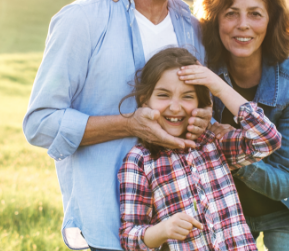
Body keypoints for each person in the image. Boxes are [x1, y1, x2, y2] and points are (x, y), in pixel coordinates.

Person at [89, 0, 289, 250]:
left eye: (255, 14)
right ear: (215, 19)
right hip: (222, 210)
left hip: (283, 206)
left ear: (271, 20)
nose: (243, 24)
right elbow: (154, 21)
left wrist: (226, 148)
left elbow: (283, 177)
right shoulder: (197, 58)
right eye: (231, 13)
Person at [23, 0, 214, 251]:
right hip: (106, 230)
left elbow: (200, 109)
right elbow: (40, 124)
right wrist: (128, 124)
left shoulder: (193, 29)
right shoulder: (83, 21)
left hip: (187, 233)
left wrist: (204, 117)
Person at [118, 47, 280, 251]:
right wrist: (162, 230)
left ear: (199, 102)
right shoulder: (139, 160)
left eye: (187, 96)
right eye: (163, 95)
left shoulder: (213, 142)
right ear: (144, 100)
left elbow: (267, 139)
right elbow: (129, 239)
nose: (175, 107)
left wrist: (219, 88)